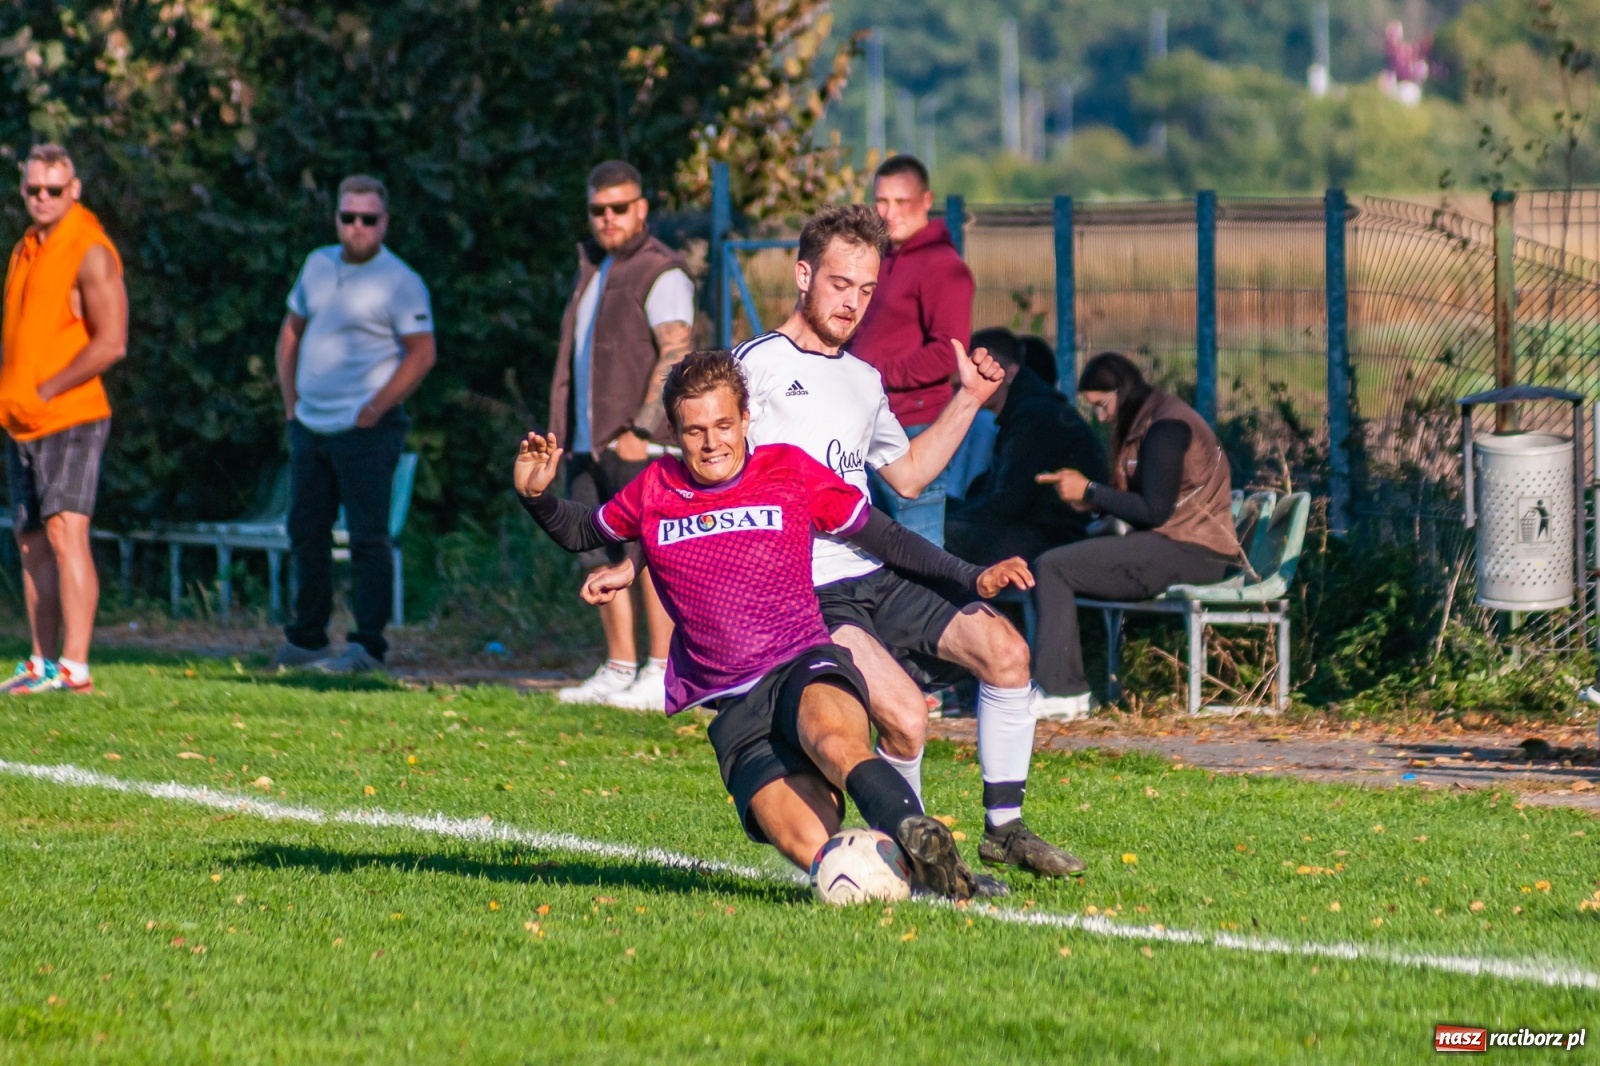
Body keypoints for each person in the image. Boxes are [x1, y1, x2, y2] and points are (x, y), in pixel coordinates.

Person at [515, 350, 1033, 898]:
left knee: (834, 740)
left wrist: (970, 578)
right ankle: (889, 867)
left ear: (745, 420)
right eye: (695, 432)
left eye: (722, 425)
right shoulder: (654, 490)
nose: (712, 442)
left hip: (803, 662)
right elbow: (583, 530)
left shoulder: (788, 469)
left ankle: (927, 854)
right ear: (675, 433)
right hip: (736, 705)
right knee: (819, 848)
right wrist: (535, 496)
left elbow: (887, 537)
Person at [737, 206, 1087, 879]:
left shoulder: (863, 379)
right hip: (810, 589)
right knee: (904, 716)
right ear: (803, 275)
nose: (853, 304)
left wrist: (968, 399)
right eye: (841, 284)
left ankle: (1005, 830)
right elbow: (711, 474)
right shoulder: (755, 368)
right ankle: (920, 863)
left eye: (866, 291)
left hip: (879, 568)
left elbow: (909, 474)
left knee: (1007, 653)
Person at [271, 174, 436, 674]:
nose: (357, 227)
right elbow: (290, 334)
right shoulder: (317, 265)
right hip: (311, 427)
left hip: (366, 431)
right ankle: (306, 639)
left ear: (384, 222)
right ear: (336, 219)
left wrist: (375, 408)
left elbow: (422, 353)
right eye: (349, 217)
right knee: (306, 532)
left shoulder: (401, 281)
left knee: (368, 538)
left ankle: (367, 645)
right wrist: (291, 405)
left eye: (368, 219)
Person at [546, 160, 693, 711]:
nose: (608, 219)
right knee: (594, 551)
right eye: (598, 209)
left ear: (642, 209)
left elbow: (676, 351)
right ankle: (618, 665)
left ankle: (660, 670)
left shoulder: (662, 271)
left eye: (620, 207)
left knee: (649, 554)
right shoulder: (593, 267)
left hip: (639, 444)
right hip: (588, 442)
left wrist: (641, 429)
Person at [1031, 353, 1242, 720]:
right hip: (1179, 545)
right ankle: (1061, 686)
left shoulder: (1166, 428)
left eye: (1102, 405)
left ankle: (1065, 692)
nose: (1101, 416)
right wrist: (1092, 504)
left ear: (1121, 392)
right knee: (1054, 560)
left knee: (1052, 567)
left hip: (1194, 551)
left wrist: (1090, 490)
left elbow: (1155, 511)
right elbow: (1153, 505)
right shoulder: (1151, 421)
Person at [0, 144, 128, 696]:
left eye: (55, 189)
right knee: (30, 539)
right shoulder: (26, 248)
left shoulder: (91, 250)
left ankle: (75, 667)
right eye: (34, 189)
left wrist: (47, 389)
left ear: (75, 189)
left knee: (65, 530)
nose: (44, 198)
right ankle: (41, 661)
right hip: (21, 421)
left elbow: (112, 343)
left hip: (71, 415)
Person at [846, 154, 974, 548]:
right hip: (869, 425)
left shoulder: (942, 266)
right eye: (882, 202)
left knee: (920, 556)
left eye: (901, 202)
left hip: (915, 429)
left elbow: (948, 354)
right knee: (869, 556)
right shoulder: (880, 260)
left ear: (926, 200)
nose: (889, 213)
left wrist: (873, 376)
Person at [945, 328, 1108, 566]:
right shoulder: (1025, 411)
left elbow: (1007, 504)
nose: (967, 379)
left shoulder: (1036, 418)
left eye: (983, 369)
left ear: (1011, 373)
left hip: (1051, 539)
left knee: (937, 534)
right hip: (1031, 528)